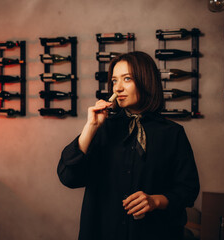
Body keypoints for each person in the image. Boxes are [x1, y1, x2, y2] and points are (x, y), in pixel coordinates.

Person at [57, 51, 200, 240]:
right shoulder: (102, 129)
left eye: (127, 79)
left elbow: (187, 189)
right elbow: (68, 177)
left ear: (146, 81)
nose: (118, 88)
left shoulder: (172, 133)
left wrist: (155, 201)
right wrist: (90, 127)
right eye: (114, 81)